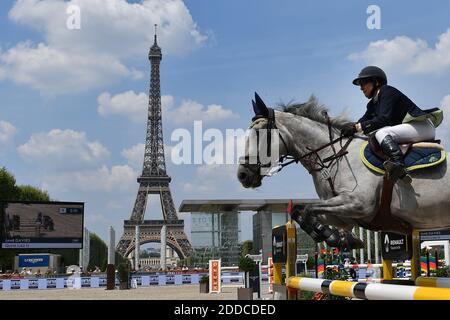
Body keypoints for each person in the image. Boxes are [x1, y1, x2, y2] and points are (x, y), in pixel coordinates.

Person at [341, 66, 443, 181]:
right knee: (374, 134)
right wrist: (349, 127)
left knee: (381, 132)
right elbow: (362, 121)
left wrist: (357, 127)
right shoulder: (372, 104)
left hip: (422, 127)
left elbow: (383, 120)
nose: (361, 88)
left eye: (363, 83)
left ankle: (398, 164)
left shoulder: (387, 91)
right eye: (360, 84)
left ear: (376, 82)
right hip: (413, 128)